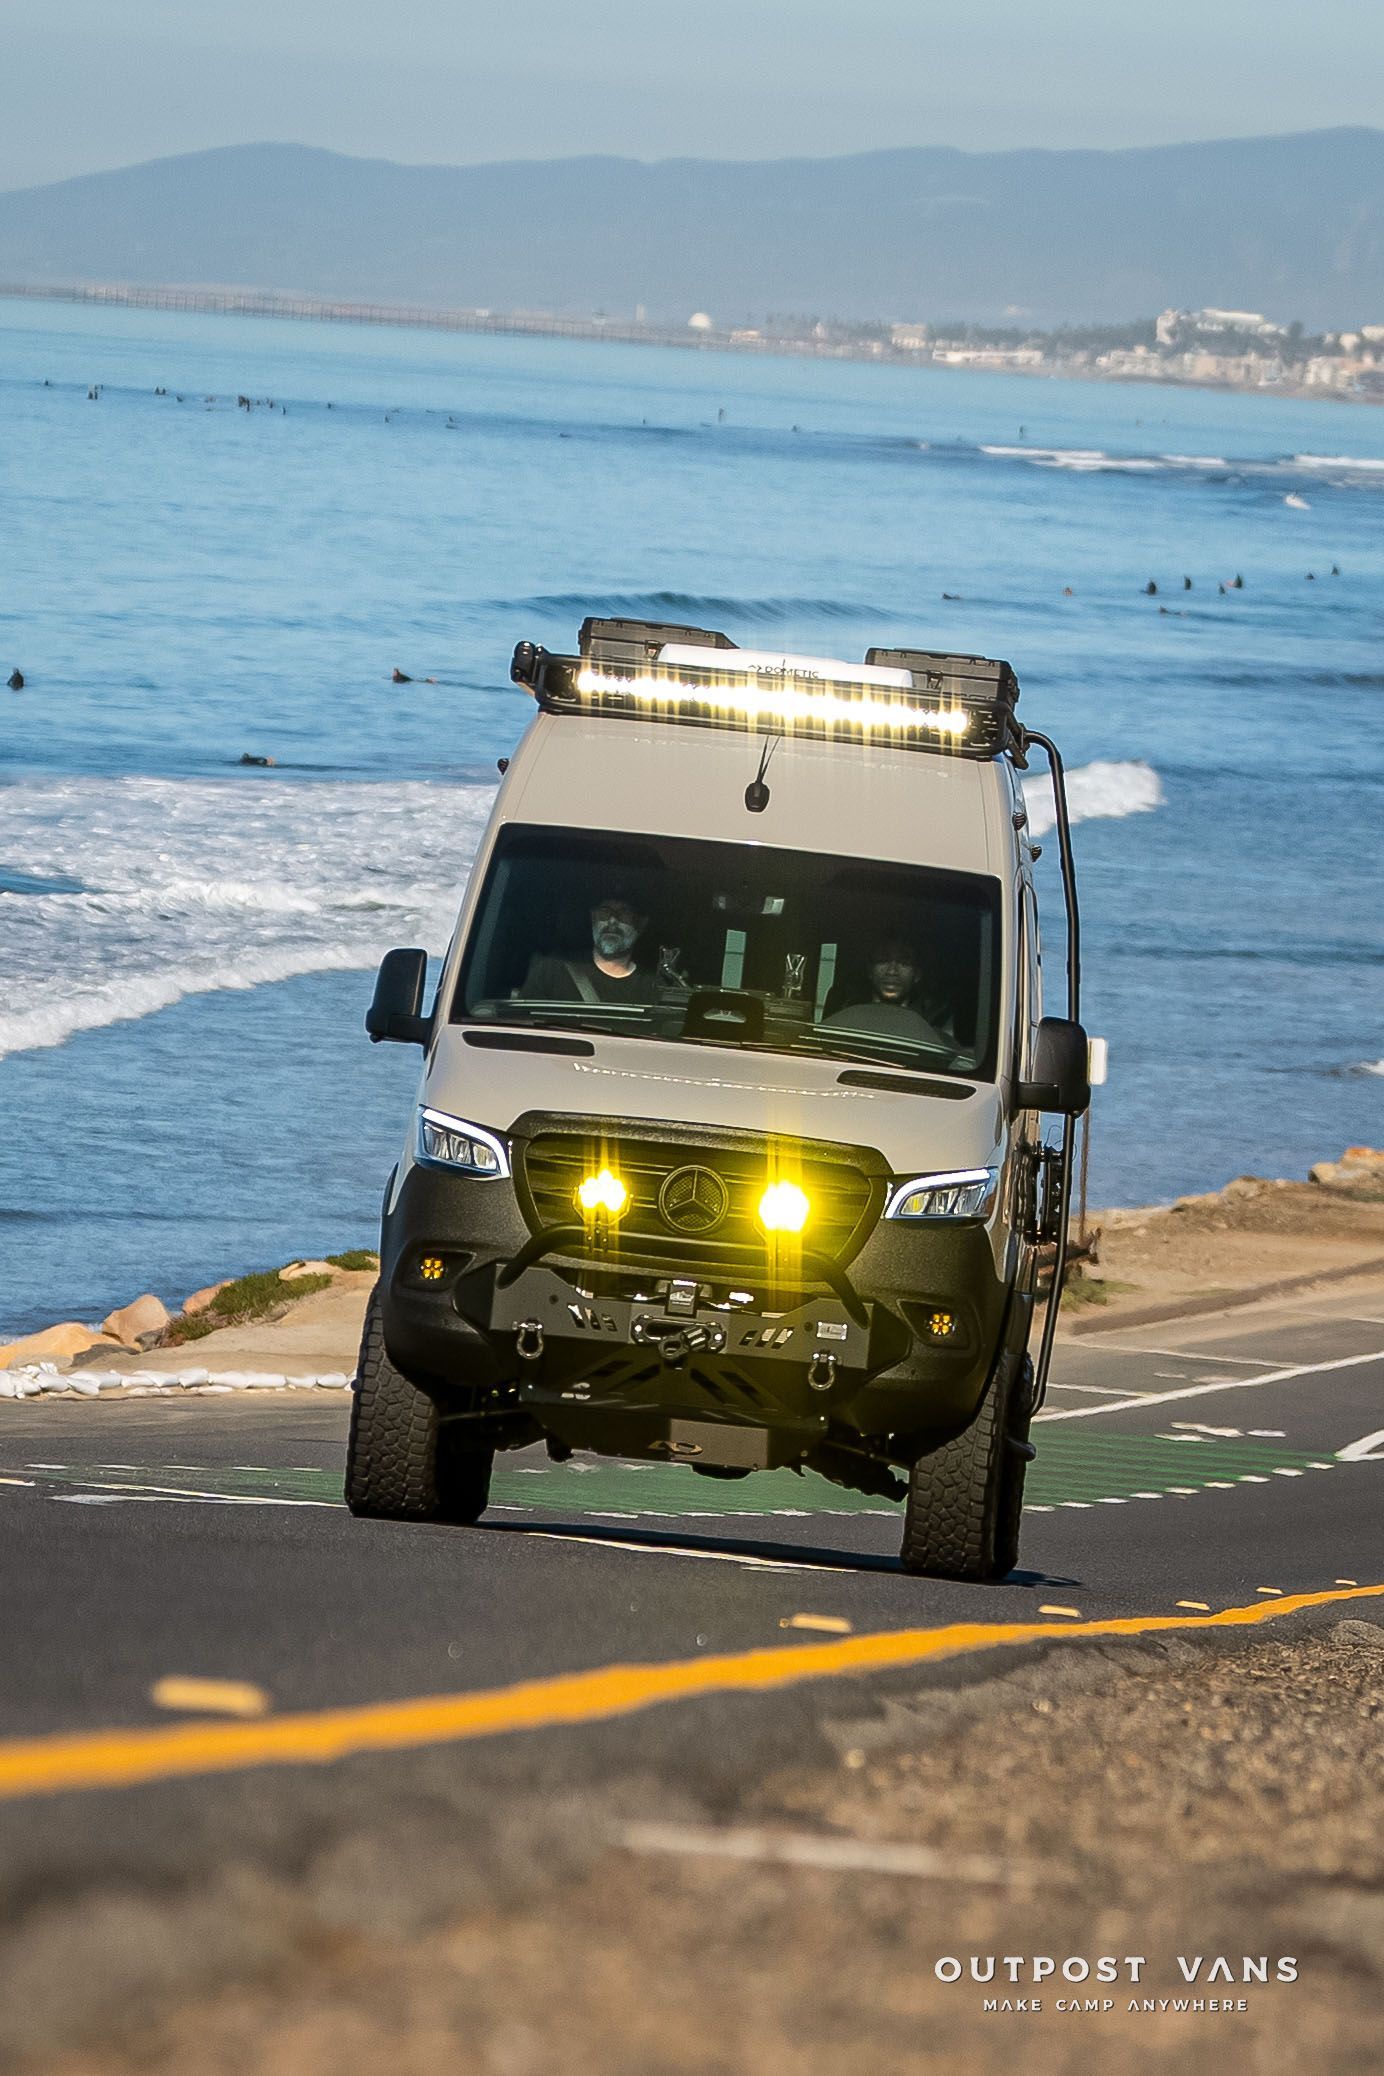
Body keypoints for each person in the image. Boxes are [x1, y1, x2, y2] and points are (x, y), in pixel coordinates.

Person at [517, 892, 660, 1005]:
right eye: (605, 912)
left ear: (641, 924)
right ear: (593, 918)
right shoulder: (552, 969)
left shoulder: (655, 987)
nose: (612, 921)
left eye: (624, 913)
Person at [824, 938, 949, 1046]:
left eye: (904, 962)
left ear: (917, 975)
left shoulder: (932, 1026)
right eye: (883, 960)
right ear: (870, 971)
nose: (892, 971)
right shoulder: (845, 1018)